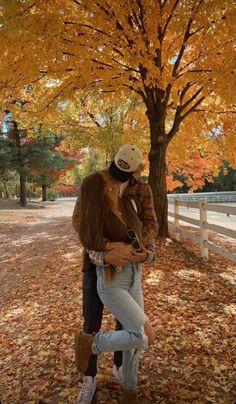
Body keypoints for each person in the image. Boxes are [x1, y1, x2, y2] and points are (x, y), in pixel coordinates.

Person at [73, 145, 157, 403]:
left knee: (130, 327)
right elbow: (80, 223)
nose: (118, 176)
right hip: (98, 270)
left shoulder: (140, 189)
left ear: (134, 172)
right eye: (115, 168)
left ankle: (123, 374)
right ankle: (89, 380)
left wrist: (142, 250)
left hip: (131, 269)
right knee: (91, 323)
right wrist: (105, 252)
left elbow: (151, 224)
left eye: (125, 173)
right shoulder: (94, 184)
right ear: (113, 161)